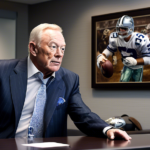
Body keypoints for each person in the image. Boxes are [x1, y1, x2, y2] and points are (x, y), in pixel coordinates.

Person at [0, 23, 131, 140]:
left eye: (62, 48)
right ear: (33, 49)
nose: (59, 54)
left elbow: (83, 114)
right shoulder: (3, 71)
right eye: (53, 47)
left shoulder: (69, 79)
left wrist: (107, 129)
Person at [97, 15, 150, 82]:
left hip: (138, 67)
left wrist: (135, 62)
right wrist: (101, 56)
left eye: (124, 28)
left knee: (136, 86)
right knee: (123, 83)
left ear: (131, 29)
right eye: (119, 28)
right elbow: (109, 49)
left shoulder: (141, 39)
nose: (121, 30)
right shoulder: (115, 37)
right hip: (127, 66)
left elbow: (149, 58)